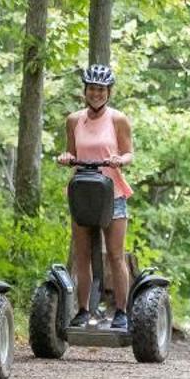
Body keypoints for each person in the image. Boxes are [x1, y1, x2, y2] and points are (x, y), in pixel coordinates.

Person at [54, 63, 134, 331]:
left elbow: (129, 154)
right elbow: (71, 152)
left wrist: (118, 160)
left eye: (101, 89)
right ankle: (84, 309)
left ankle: (122, 311)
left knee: (115, 254)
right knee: (82, 255)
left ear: (108, 91)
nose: (96, 94)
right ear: (85, 91)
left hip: (111, 193)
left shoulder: (118, 119)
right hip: (83, 191)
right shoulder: (74, 120)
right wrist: (65, 158)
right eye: (92, 89)